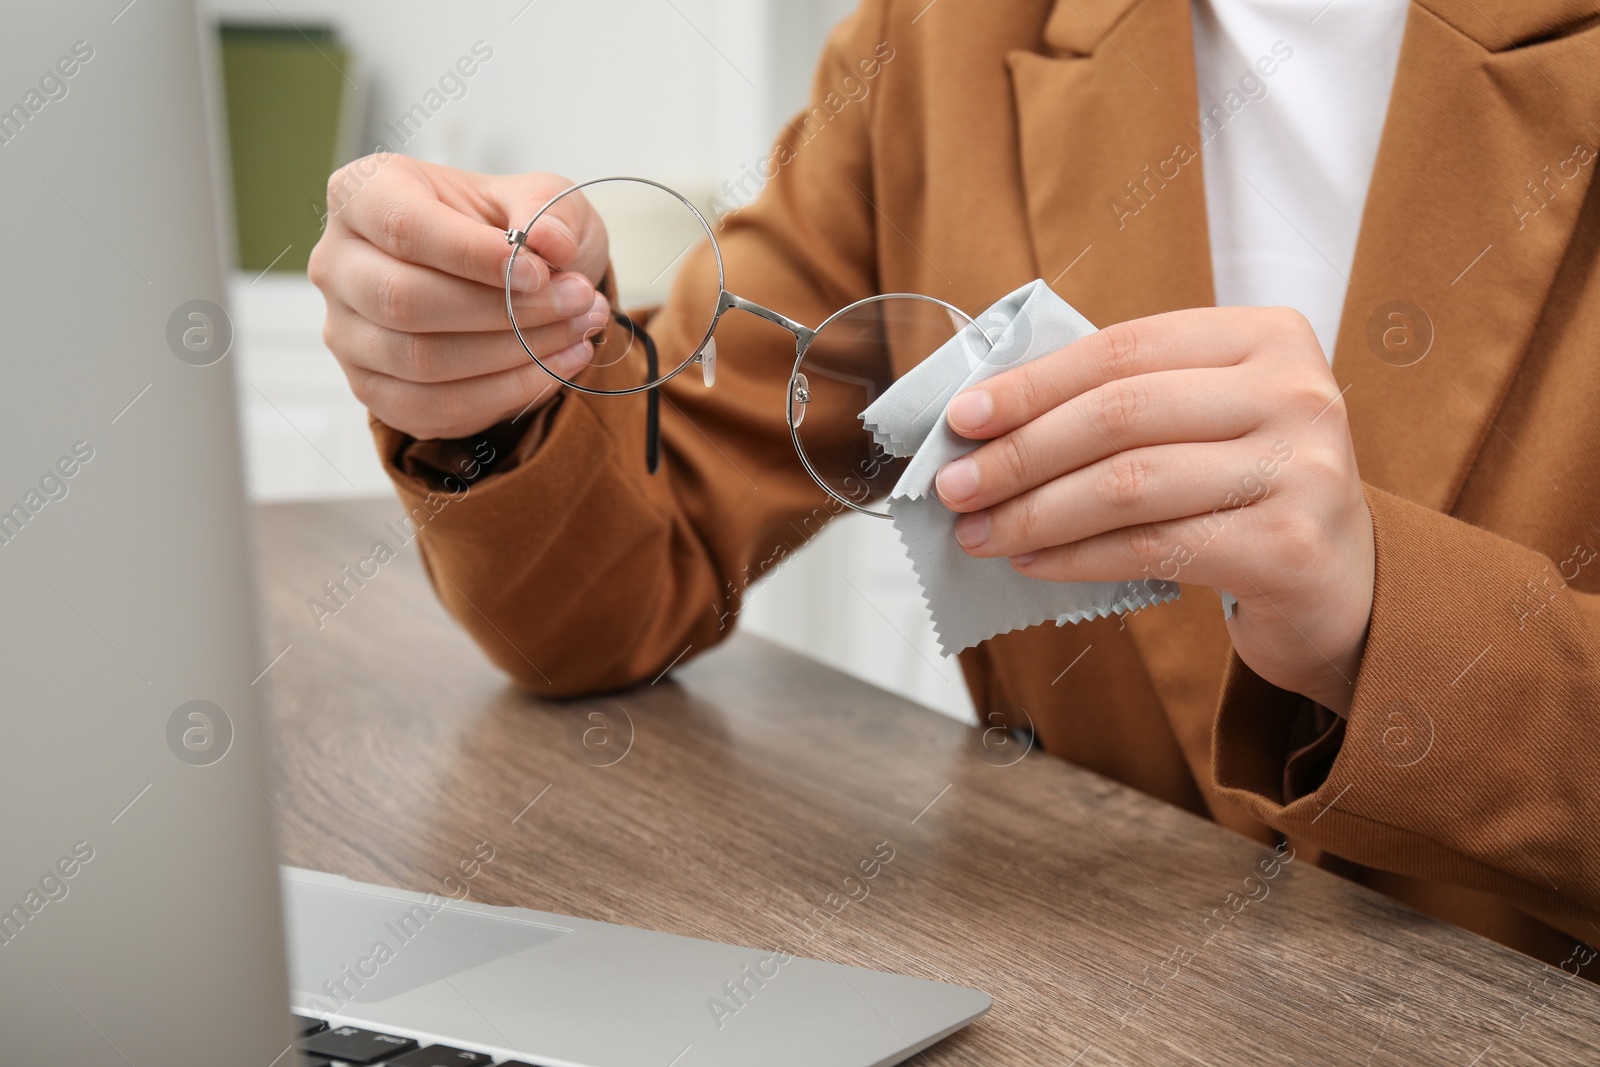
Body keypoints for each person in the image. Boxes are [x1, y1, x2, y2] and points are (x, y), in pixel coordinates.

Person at [307, 0, 1600, 978]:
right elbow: (620, 579)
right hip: (1084, 996)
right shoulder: (947, 35)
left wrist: (1395, 624)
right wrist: (499, 381)